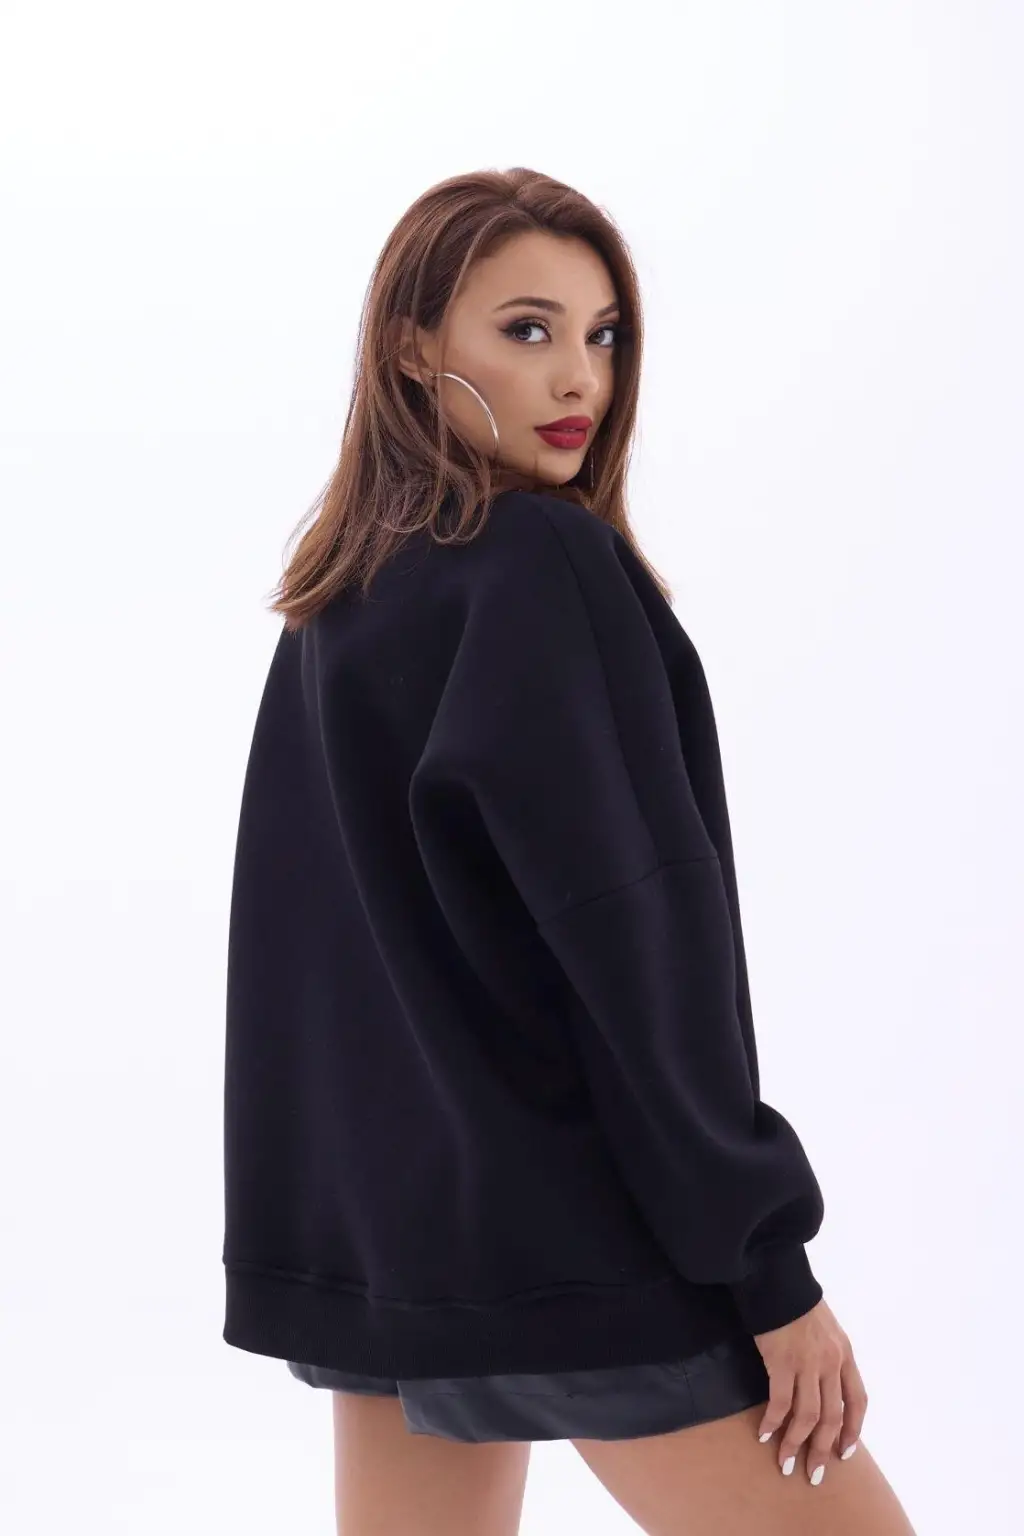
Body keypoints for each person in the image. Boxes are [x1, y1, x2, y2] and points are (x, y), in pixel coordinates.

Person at [221, 166, 918, 1536]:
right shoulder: (543, 564)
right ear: (412, 346)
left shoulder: (341, 595)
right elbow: (638, 944)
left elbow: (312, 963)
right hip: (584, 1241)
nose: (578, 377)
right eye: (526, 329)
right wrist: (766, 1265)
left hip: (400, 1251)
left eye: (603, 335)